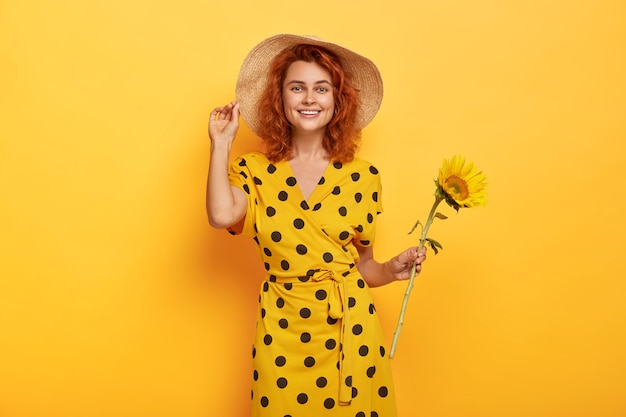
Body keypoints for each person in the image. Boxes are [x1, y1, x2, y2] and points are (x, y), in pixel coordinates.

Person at [206, 34, 427, 417]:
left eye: (321, 88)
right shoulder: (254, 171)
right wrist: (221, 144)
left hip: (351, 332)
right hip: (283, 329)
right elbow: (222, 216)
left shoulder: (364, 177)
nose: (309, 99)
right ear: (281, 98)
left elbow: (363, 267)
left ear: (337, 100)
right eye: (297, 87)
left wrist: (391, 270)